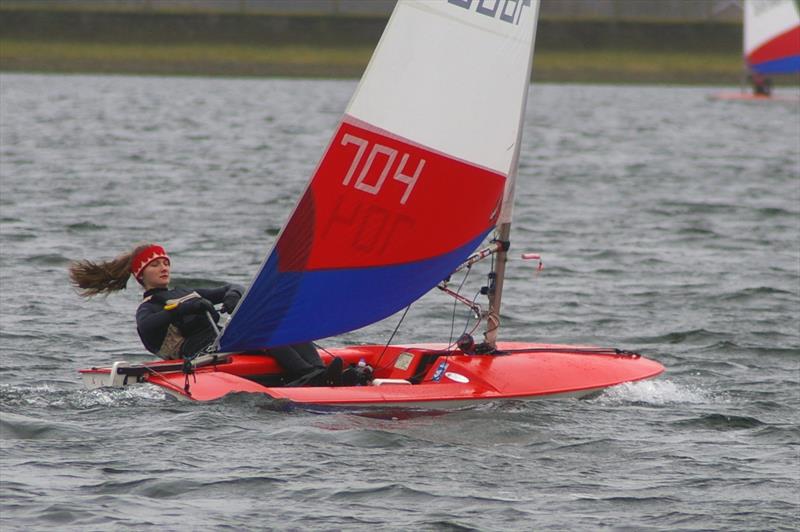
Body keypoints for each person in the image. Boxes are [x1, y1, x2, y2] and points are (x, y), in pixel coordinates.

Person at [69, 243, 341, 386]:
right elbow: (151, 326)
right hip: (200, 356)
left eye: (166, 263)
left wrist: (234, 295)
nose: (164, 268)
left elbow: (228, 288)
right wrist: (184, 308)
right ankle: (308, 373)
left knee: (283, 324)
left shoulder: (185, 290)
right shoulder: (148, 309)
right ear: (141, 275)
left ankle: (318, 372)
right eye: (155, 265)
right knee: (263, 329)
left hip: (225, 343)